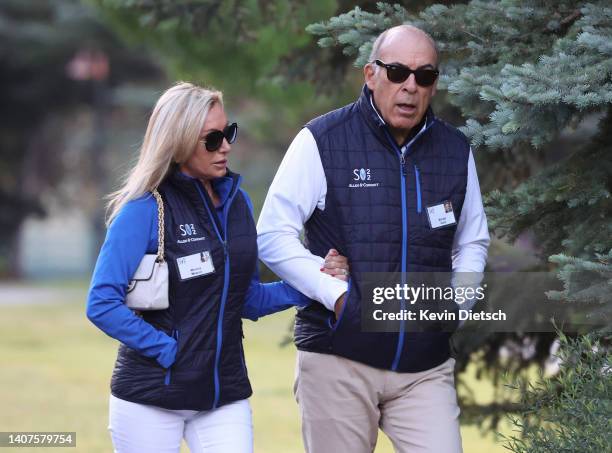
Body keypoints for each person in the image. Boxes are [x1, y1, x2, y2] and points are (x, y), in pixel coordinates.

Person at [257, 25, 490, 453]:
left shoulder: (456, 150)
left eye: (424, 76)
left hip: (424, 366)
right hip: (338, 358)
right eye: (398, 71)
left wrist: (456, 302)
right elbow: (272, 233)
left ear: (434, 85)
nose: (410, 86)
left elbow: (472, 241)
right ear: (370, 74)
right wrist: (336, 295)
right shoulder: (322, 140)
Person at [86, 82, 348, 453]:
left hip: (223, 393)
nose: (225, 146)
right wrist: (167, 349)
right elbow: (101, 303)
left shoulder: (236, 203)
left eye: (228, 133)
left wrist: (310, 280)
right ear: (178, 142)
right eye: (212, 139)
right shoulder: (144, 210)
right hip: (150, 399)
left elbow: (248, 298)